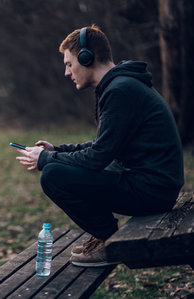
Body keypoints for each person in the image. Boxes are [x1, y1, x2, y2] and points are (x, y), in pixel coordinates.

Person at [15, 25, 184, 267]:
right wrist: (58, 151)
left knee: (53, 175)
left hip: (152, 192)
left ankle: (109, 240)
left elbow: (97, 157)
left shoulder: (120, 90)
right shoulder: (122, 85)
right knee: (58, 167)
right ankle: (106, 237)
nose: (66, 72)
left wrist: (45, 160)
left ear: (86, 58)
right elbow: (105, 145)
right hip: (154, 187)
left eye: (69, 64)